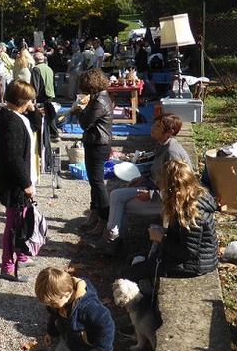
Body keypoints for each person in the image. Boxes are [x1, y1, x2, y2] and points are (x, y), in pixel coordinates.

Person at [121, 160, 218, 283]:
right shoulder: (188, 200)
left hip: (194, 264)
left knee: (127, 274)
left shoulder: (192, 213)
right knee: (133, 260)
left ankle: (143, 294)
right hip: (189, 257)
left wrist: (161, 237)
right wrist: (164, 231)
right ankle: (146, 287)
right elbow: (183, 237)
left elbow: (188, 252)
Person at [103, 114, 192, 246]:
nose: (152, 129)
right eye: (154, 125)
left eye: (157, 127)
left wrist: (151, 195)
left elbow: (179, 189)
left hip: (169, 202)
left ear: (169, 132)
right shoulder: (163, 145)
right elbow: (158, 173)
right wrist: (143, 179)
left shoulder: (172, 153)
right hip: (156, 190)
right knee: (116, 195)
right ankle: (114, 236)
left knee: (120, 204)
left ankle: (113, 240)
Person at [0, 80, 37, 281]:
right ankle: (8, 265)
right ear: (21, 101)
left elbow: (35, 125)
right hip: (15, 183)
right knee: (14, 225)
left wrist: (33, 110)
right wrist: (26, 183)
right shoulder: (12, 121)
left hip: (16, 180)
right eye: (29, 100)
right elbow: (13, 157)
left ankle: (20, 254)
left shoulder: (12, 115)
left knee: (19, 221)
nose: (31, 103)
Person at [35, 267, 114, 351]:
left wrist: (102, 349)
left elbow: (106, 324)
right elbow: (54, 317)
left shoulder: (88, 307)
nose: (51, 306)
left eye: (53, 303)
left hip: (87, 348)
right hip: (67, 341)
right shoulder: (58, 304)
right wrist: (51, 332)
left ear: (67, 293)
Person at [71, 69, 112, 236]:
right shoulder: (100, 98)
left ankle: (104, 219)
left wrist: (78, 110)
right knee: (94, 182)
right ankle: (95, 213)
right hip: (95, 142)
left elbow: (85, 123)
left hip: (98, 144)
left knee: (98, 183)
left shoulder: (99, 102)